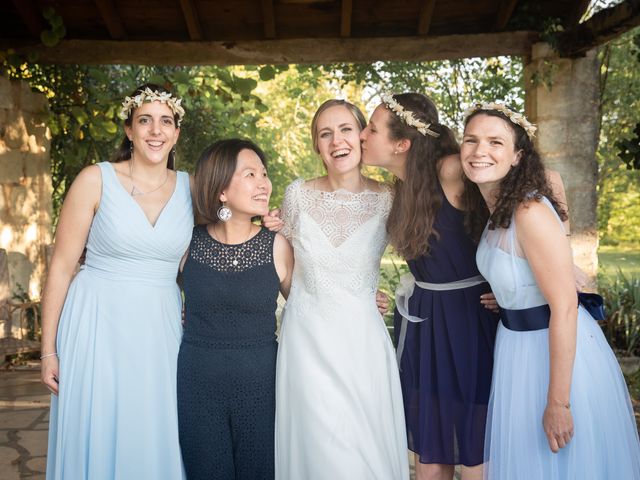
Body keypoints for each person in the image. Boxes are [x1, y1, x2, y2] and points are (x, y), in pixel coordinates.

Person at [461, 103, 640, 479]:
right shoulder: (497, 208)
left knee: (558, 462)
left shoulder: (528, 212)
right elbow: (522, 271)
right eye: (471, 140)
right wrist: (512, 296)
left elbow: (566, 307)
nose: (480, 151)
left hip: (551, 355)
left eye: (495, 142)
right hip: (515, 347)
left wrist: (559, 402)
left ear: (517, 156)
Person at [41, 84, 192, 479]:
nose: (155, 131)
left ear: (176, 132)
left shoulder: (192, 189)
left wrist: (270, 222)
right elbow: (60, 267)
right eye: (145, 120)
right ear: (129, 129)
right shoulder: (95, 180)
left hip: (160, 330)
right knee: (98, 425)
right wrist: (47, 351)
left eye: (165, 121)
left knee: (154, 432)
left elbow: (223, 239)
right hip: (96, 325)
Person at [359, 92, 499, 480]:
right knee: (429, 451)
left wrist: (517, 285)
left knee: (474, 447)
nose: (361, 136)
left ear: (402, 144)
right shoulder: (397, 189)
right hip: (425, 322)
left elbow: (527, 197)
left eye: (371, 129)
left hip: (470, 320)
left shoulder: (452, 169)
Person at [272, 99, 410, 479]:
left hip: (361, 343)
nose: (337, 141)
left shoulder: (389, 198)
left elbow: (426, 255)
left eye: (346, 129)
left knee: (361, 450)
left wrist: (392, 295)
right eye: (325, 134)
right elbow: (282, 270)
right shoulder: (296, 195)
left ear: (363, 136)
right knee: (319, 450)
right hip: (306, 342)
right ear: (317, 145)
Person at [177, 139, 294, 480]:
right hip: (198, 383)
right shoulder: (187, 241)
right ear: (221, 191)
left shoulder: (279, 244)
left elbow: (310, 306)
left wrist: (364, 297)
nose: (264, 183)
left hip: (262, 384)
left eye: (264, 173)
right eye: (250, 174)